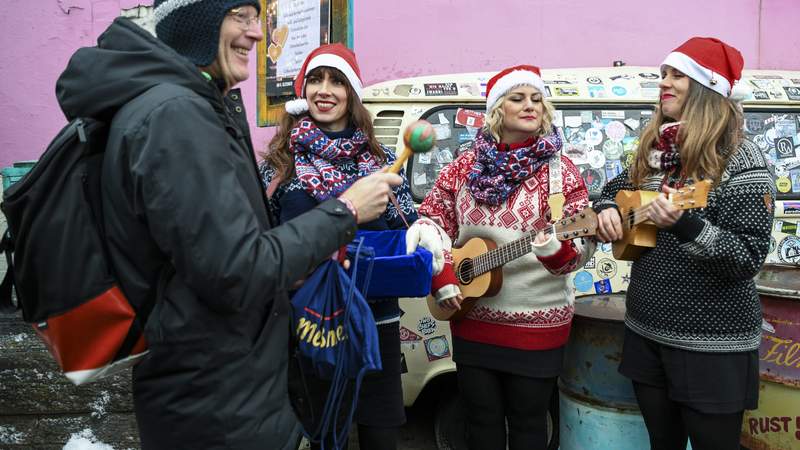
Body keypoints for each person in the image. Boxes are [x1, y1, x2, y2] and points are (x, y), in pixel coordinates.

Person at [54, 3, 402, 449]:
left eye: (256, 18)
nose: (257, 34)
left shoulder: (186, 107)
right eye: (240, 14)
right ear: (194, 19)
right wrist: (346, 210)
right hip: (217, 403)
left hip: (229, 389)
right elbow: (236, 270)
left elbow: (223, 253)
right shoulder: (176, 116)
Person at [260, 44, 446, 450]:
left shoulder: (376, 162)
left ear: (351, 94)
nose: (324, 90)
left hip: (374, 320)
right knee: (325, 434)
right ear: (302, 90)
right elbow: (261, 241)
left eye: (337, 81)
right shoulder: (279, 165)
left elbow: (405, 222)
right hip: (310, 320)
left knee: (381, 434)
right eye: (316, 79)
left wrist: (424, 232)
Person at [594, 37, 773, 450]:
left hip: (712, 344)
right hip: (646, 330)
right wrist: (606, 207)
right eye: (663, 75)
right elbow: (616, 187)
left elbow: (746, 257)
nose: (665, 84)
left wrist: (687, 226)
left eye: (678, 75)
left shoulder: (740, 159)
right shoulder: (655, 151)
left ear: (707, 89)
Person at [408, 65, 595, 450]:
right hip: (472, 316)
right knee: (481, 423)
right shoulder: (464, 167)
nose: (530, 106)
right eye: (518, 98)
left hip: (537, 325)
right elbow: (430, 221)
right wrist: (442, 275)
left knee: (529, 426)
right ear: (497, 110)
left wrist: (553, 247)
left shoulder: (561, 173)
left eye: (536, 98)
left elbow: (579, 254)